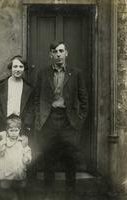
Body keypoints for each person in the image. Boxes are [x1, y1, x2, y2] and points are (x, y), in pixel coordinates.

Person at [34, 41, 88, 199]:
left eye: (61, 51)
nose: (58, 54)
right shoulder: (43, 73)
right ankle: (48, 194)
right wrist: (39, 119)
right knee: (48, 156)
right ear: (51, 54)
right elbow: (36, 98)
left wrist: (79, 121)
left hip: (68, 121)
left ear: (66, 53)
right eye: (55, 51)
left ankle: (71, 193)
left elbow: (84, 100)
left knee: (70, 157)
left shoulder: (76, 73)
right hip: (49, 120)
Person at [0, 55, 34, 198]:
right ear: (10, 68)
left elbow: (31, 110)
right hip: (2, 128)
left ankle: (20, 194)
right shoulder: (0, 87)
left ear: (24, 69)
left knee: (20, 163)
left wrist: (25, 132)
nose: (18, 69)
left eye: (21, 67)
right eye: (15, 66)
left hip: (19, 130)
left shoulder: (28, 88)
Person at [0, 114, 32, 200]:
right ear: (7, 131)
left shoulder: (22, 141)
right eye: (11, 130)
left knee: (20, 188)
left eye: (16, 130)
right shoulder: (4, 142)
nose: (14, 133)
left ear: (19, 130)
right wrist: (1, 145)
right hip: (7, 171)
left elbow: (27, 151)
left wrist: (27, 158)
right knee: (6, 190)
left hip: (19, 171)